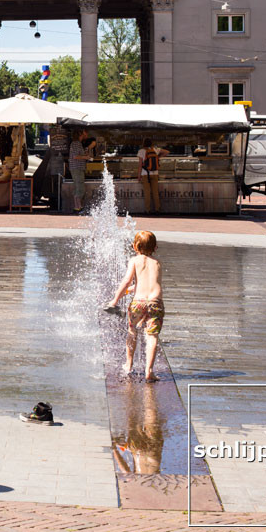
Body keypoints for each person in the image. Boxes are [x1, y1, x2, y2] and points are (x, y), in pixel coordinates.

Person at [106, 231, 164, 382]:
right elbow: (149, 284)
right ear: (155, 247)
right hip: (155, 303)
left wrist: (115, 299)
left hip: (138, 302)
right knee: (152, 337)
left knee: (132, 331)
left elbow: (127, 281)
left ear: (134, 246)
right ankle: (149, 371)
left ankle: (129, 364)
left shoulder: (134, 260)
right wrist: (130, 290)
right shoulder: (157, 263)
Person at [137, 138, 169, 214]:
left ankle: (148, 210)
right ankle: (157, 209)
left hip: (145, 174)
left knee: (147, 193)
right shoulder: (155, 150)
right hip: (155, 174)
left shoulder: (141, 151)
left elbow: (140, 165)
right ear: (151, 143)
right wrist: (158, 157)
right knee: (155, 192)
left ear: (143, 143)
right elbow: (167, 152)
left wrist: (138, 176)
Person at [68, 129, 92, 213]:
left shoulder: (76, 143)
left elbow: (77, 155)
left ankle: (78, 206)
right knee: (80, 187)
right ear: (80, 134)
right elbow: (75, 156)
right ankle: (77, 207)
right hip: (77, 168)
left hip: (77, 168)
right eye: (85, 132)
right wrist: (86, 157)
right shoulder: (76, 143)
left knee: (77, 187)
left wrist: (85, 154)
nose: (86, 134)